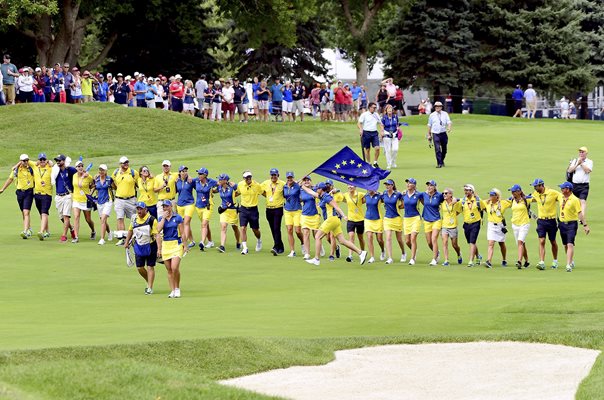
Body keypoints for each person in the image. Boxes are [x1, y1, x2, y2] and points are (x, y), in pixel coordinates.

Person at [301, 182, 367, 266]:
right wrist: (302, 186)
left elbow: (337, 207)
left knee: (317, 236)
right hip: (334, 221)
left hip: (331, 219)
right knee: (342, 241)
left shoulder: (327, 197)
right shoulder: (322, 196)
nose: (316, 189)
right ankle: (361, 253)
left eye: (317, 188)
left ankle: (316, 259)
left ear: (321, 190)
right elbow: (311, 192)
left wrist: (344, 216)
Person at [124, 202, 158, 295]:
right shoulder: (134, 218)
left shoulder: (152, 220)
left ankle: (150, 287)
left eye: (141, 209)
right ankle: (149, 281)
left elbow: (156, 234)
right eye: (138, 209)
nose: (139, 211)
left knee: (150, 266)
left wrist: (160, 248)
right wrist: (127, 242)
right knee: (140, 267)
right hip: (138, 245)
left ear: (145, 209)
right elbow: (130, 230)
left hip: (151, 245)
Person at [557, 182, 590, 272]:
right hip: (562, 224)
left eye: (563, 188)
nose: (561, 190)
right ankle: (571, 261)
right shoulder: (561, 197)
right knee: (565, 245)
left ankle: (568, 264)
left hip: (571, 224)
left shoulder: (575, 200)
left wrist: (585, 225)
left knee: (570, 244)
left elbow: (579, 213)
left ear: (567, 189)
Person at [0, 154, 35, 238]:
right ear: (20, 161)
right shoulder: (16, 169)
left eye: (27, 160)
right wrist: (3, 189)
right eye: (24, 160)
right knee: (23, 212)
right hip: (19, 192)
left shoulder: (31, 168)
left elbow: (39, 163)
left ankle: (25, 231)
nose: (26, 162)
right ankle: (29, 228)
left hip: (29, 192)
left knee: (26, 212)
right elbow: (10, 179)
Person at [529, 178, 561, 270]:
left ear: (541, 185)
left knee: (553, 241)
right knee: (542, 241)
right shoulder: (535, 194)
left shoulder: (552, 192)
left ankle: (555, 261)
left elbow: (562, 198)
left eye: (536, 186)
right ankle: (542, 262)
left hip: (551, 221)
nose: (535, 188)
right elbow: (528, 199)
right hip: (541, 221)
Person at [156, 201, 185, 298]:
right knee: (169, 270)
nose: (165, 208)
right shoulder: (161, 218)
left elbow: (182, 232)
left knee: (174, 268)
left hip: (176, 244)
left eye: (167, 206)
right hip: (166, 245)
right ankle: (172, 290)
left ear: (171, 206)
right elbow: (158, 230)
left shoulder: (177, 218)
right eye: (164, 207)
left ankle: (177, 288)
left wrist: (185, 245)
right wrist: (163, 218)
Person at [112, 156, 139, 246]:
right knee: (120, 218)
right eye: (124, 163)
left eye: (127, 162)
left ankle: (135, 237)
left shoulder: (133, 172)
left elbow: (139, 184)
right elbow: (114, 185)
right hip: (119, 199)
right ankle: (122, 238)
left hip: (131, 199)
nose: (126, 164)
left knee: (134, 219)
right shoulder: (116, 173)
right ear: (120, 164)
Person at [480, 188, 510, 268]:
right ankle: (489, 261)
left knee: (501, 243)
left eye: (492, 195)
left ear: (497, 196)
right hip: (491, 225)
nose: (490, 196)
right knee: (491, 243)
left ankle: (504, 259)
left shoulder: (503, 203)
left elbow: (512, 201)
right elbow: (478, 202)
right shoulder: (487, 203)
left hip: (500, 225)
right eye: (490, 195)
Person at [51, 154, 77, 242]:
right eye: (57, 161)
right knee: (61, 217)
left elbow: (80, 172)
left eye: (60, 160)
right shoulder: (55, 170)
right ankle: (72, 228)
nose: (58, 162)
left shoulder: (70, 169)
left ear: (64, 161)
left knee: (66, 216)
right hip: (58, 196)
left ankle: (64, 236)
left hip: (67, 195)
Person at [236, 171, 263, 254]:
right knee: (243, 228)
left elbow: (263, 193)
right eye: (247, 177)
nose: (248, 179)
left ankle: (259, 240)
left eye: (249, 177)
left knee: (255, 230)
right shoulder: (240, 185)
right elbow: (237, 193)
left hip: (253, 209)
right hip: (243, 209)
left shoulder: (257, 185)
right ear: (244, 178)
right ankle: (245, 248)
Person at [419, 180, 444, 266]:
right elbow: (413, 194)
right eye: (428, 185)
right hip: (426, 220)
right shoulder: (423, 194)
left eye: (431, 186)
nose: (429, 187)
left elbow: (448, 198)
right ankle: (437, 252)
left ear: (434, 187)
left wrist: (456, 199)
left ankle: (434, 259)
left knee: (434, 239)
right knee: (429, 242)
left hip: (436, 220)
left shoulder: (439, 195)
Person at [382, 179, 406, 265]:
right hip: (387, 218)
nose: (387, 186)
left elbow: (403, 203)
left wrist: (399, 207)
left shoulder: (398, 194)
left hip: (397, 218)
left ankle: (403, 253)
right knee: (388, 238)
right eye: (386, 185)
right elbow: (380, 201)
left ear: (392, 185)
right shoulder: (384, 194)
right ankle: (390, 258)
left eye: (388, 185)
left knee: (399, 239)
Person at [262, 168, 285, 255]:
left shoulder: (282, 184)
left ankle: (276, 246)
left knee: (276, 228)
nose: (273, 177)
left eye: (275, 175)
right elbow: (260, 190)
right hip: (269, 209)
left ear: (278, 175)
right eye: (272, 175)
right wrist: (268, 197)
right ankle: (280, 246)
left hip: (278, 208)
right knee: (273, 228)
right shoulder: (266, 183)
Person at [70, 160, 95, 243]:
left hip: (85, 200)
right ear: (76, 168)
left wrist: (90, 194)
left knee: (88, 219)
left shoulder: (88, 176)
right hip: (76, 199)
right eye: (78, 166)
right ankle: (76, 236)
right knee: (76, 217)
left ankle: (93, 230)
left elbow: (93, 185)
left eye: (81, 166)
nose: (80, 167)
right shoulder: (74, 176)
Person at [29, 153, 53, 240]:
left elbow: (57, 165)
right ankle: (47, 231)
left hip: (46, 194)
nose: (42, 161)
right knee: (41, 213)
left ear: (46, 160)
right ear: (38, 160)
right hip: (37, 194)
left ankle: (41, 232)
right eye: (41, 159)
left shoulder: (50, 168)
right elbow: (25, 160)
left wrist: (51, 162)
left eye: (44, 159)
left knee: (44, 213)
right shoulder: (35, 166)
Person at [508, 184, 531, 269]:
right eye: (512, 191)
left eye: (514, 191)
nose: (512, 193)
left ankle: (519, 261)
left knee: (520, 242)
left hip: (524, 224)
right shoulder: (511, 200)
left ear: (519, 192)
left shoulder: (525, 199)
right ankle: (527, 261)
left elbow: (537, 199)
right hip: (515, 224)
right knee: (522, 243)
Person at [194, 167, 217, 251]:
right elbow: (187, 180)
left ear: (205, 175)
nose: (199, 175)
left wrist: (214, 191)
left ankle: (202, 242)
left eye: (200, 174)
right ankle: (210, 241)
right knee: (206, 224)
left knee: (203, 224)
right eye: (198, 173)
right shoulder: (196, 181)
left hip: (208, 206)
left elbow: (220, 184)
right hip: (198, 206)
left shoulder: (211, 182)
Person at [459, 184, 483, 267]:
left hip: (476, 223)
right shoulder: (463, 201)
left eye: (467, 190)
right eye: (465, 190)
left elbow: (484, 208)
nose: (466, 192)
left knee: (472, 242)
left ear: (472, 191)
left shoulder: (478, 200)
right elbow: (458, 211)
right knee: (471, 241)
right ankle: (478, 256)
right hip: (466, 224)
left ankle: (470, 261)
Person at [216, 173, 240, 252]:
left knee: (235, 228)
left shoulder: (232, 187)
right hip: (224, 210)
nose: (219, 180)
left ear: (225, 180)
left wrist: (235, 185)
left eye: (220, 179)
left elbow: (239, 191)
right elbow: (212, 190)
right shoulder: (219, 187)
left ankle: (238, 242)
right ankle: (222, 246)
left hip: (233, 210)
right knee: (223, 227)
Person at [567, 146, 592, 219]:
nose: (581, 153)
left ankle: (582, 217)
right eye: (580, 152)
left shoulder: (589, 161)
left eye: (583, 152)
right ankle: (572, 216)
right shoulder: (575, 161)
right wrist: (577, 164)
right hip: (574, 185)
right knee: (574, 201)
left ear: (586, 153)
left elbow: (588, 170)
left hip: (584, 185)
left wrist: (581, 164)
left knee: (582, 201)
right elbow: (569, 170)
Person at [342, 184, 366, 262]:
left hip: (360, 219)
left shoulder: (360, 194)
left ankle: (363, 252)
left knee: (360, 238)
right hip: (350, 220)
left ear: (355, 187)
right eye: (348, 185)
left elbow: (368, 196)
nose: (350, 187)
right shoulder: (345, 195)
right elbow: (338, 198)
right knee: (351, 236)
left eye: (352, 185)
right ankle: (350, 255)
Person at [283, 171, 304, 257]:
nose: (289, 179)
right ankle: (292, 251)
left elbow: (304, 194)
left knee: (298, 231)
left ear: (293, 178)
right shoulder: (284, 186)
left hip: (297, 210)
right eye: (288, 177)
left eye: (291, 177)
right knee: (289, 230)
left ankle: (303, 243)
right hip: (287, 210)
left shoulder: (298, 186)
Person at [299, 176, 321, 259]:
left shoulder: (315, 189)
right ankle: (307, 253)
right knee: (306, 233)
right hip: (305, 214)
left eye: (308, 180)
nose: (306, 182)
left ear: (311, 181)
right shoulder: (301, 190)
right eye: (304, 180)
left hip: (315, 214)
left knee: (316, 234)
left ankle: (319, 249)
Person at [440, 188, 462, 266]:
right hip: (444, 226)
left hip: (453, 226)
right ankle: (446, 260)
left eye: (446, 193)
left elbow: (460, 210)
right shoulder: (442, 203)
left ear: (451, 195)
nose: (444, 195)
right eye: (443, 193)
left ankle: (459, 253)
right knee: (445, 242)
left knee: (454, 245)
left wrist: (454, 216)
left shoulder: (456, 203)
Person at [401, 178, 420, 265]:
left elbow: (425, 202)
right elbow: (402, 205)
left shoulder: (418, 195)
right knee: (407, 241)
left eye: (410, 183)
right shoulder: (403, 194)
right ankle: (414, 250)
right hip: (406, 218)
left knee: (413, 238)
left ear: (414, 185)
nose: (408, 184)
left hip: (415, 218)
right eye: (407, 183)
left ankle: (412, 258)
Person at [175, 165, 196, 248]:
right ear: (179, 173)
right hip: (180, 205)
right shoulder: (177, 181)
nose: (185, 172)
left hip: (189, 204)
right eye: (183, 171)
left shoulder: (191, 180)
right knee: (182, 224)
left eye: (186, 171)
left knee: (186, 222)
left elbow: (199, 187)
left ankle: (184, 242)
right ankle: (192, 241)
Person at [357, 102, 383, 167]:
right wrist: (361, 129)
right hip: (366, 133)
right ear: (369, 107)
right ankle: (368, 163)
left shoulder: (376, 115)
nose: (375, 109)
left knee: (377, 148)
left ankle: (375, 162)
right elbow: (359, 123)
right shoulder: (364, 114)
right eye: (374, 107)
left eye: (375, 108)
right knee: (367, 149)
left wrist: (382, 131)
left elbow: (380, 124)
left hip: (374, 133)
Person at [427, 101, 452, 168]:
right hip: (435, 133)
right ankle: (439, 163)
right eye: (436, 106)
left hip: (443, 133)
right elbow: (429, 125)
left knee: (444, 149)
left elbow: (449, 122)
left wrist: (449, 128)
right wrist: (429, 134)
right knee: (437, 149)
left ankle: (441, 160)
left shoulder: (445, 114)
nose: (437, 108)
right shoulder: (432, 115)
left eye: (439, 106)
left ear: (441, 107)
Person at [94, 164, 114, 245]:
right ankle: (109, 232)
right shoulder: (96, 179)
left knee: (103, 220)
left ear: (106, 171)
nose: (101, 171)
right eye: (100, 170)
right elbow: (93, 187)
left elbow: (115, 187)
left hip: (108, 201)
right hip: (99, 202)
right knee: (103, 221)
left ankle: (102, 239)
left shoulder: (109, 179)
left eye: (102, 170)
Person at [363, 189, 385, 263]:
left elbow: (387, 200)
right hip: (368, 219)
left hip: (378, 219)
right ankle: (372, 256)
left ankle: (382, 250)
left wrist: (382, 194)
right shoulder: (366, 196)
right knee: (369, 237)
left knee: (379, 239)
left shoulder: (379, 196)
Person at [381, 104, 400, 169]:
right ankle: (389, 164)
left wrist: (398, 129)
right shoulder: (383, 118)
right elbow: (382, 126)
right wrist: (382, 132)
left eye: (391, 110)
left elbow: (397, 125)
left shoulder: (395, 117)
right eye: (388, 110)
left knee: (395, 149)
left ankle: (393, 162)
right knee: (388, 150)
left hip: (395, 134)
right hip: (387, 134)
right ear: (386, 111)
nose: (390, 111)